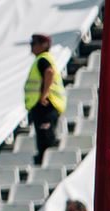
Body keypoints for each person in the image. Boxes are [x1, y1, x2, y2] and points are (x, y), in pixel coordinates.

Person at [25, 33, 65, 165]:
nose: (31, 46)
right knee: (43, 137)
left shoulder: (43, 59)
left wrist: (44, 94)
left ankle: (47, 161)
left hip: (46, 105)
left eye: (34, 43)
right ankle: (43, 159)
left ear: (43, 45)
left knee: (46, 137)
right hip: (43, 106)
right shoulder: (41, 59)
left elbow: (49, 72)